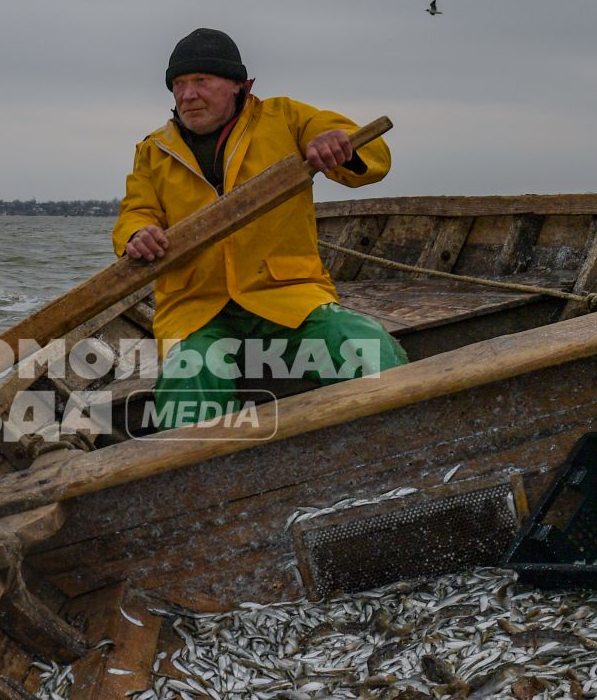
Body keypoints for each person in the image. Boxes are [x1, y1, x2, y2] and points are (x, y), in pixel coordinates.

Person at [111, 27, 407, 430]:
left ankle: (402, 435)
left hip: (285, 295)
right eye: (179, 84)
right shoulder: (153, 151)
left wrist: (340, 146)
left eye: (201, 80)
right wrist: (136, 233)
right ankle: (190, 479)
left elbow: (369, 153)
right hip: (199, 307)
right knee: (190, 375)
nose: (188, 95)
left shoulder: (285, 118)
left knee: (360, 343)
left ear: (238, 85)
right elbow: (136, 211)